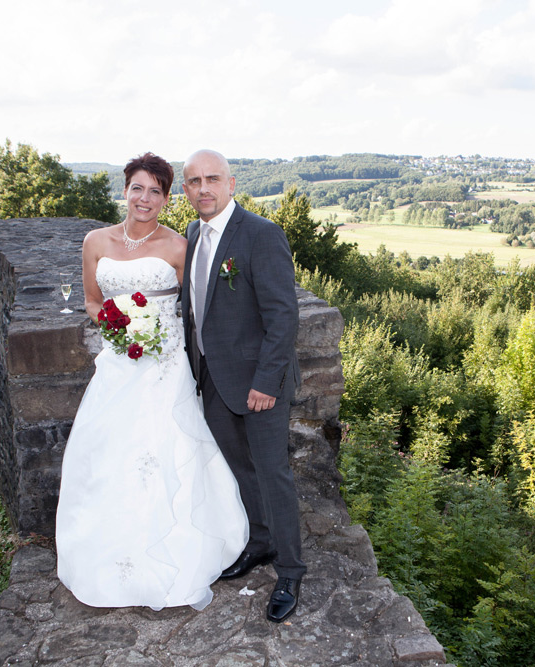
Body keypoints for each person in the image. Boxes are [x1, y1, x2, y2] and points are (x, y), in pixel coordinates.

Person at [55, 152, 248, 611]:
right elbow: (90, 300)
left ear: (167, 198)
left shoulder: (181, 246)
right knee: (108, 452)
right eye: (137, 188)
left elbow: (200, 307)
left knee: (166, 450)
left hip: (163, 367)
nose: (145, 198)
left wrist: (158, 336)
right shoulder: (94, 241)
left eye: (155, 191)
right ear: (125, 191)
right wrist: (118, 327)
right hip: (119, 363)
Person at [181, 149, 305, 623]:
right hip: (213, 379)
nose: (204, 188)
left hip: (259, 385)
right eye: (194, 181)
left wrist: (266, 382)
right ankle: (260, 542)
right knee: (240, 469)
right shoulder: (194, 233)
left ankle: (291, 571)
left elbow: (283, 316)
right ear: (186, 190)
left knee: (273, 474)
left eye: (213, 179)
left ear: (232, 184)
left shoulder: (261, 234)